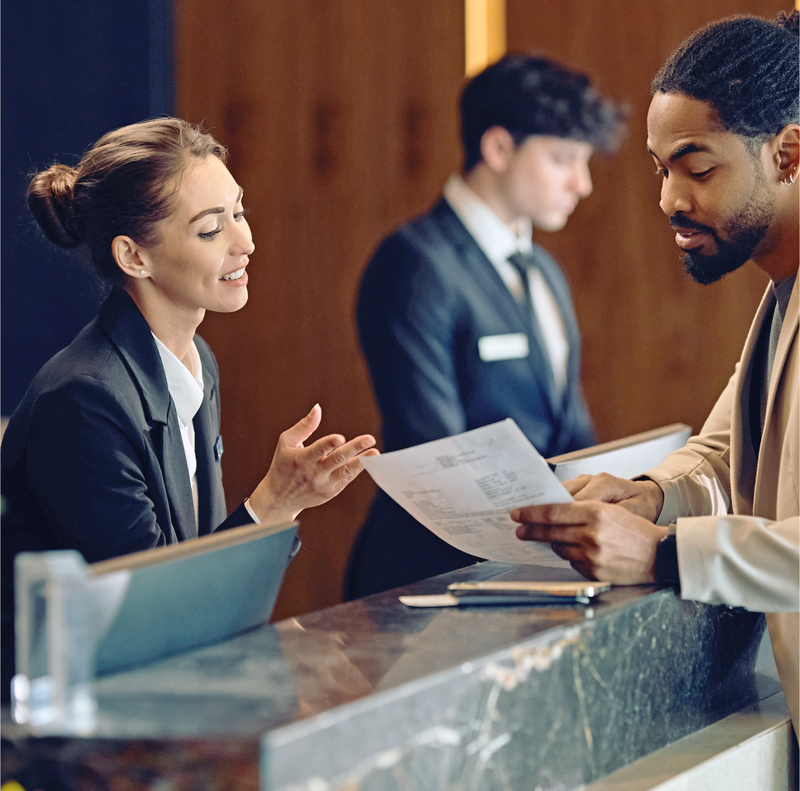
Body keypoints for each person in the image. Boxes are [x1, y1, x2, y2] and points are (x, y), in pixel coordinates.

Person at [0, 118, 378, 694]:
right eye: (210, 230)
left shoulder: (194, 357)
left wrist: (282, 503)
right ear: (133, 257)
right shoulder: (83, 399)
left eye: (239, 212)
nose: (245, 241)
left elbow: (195, 572)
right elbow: (161, 616)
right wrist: (276, 500)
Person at [512, 12, 799, 736]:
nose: (669, 200)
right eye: (661, 168)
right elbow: (722, 451)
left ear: (789, 155)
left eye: (697, 167)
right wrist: (648, 497)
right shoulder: (780, 291)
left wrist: (665, 555)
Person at [344, 55, 625, 600]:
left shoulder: (543, 270)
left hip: (535, 567)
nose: (582, 183)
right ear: (498, 148)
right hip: (432, 576)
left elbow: (572, 430)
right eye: (564, 159)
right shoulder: (414, 263)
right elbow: (435, 449)